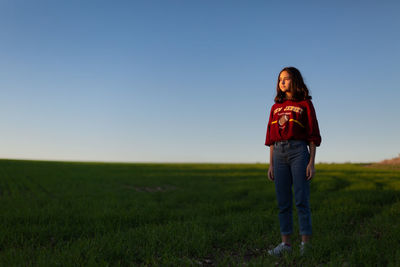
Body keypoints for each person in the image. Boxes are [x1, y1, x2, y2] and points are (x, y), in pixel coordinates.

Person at [265, 67, 321, 256]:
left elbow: (313, 135)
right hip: (279, 154)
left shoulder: (305, 104)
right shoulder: (275, 108)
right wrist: (271, 164)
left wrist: (311, 162)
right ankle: (286, 245)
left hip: (298, 151)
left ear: (294, 81)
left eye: (286, 79)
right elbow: (271, 139)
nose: (282, 82)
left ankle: (306, 245)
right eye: (280, 79)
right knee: (283, 202)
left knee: (301, 200)